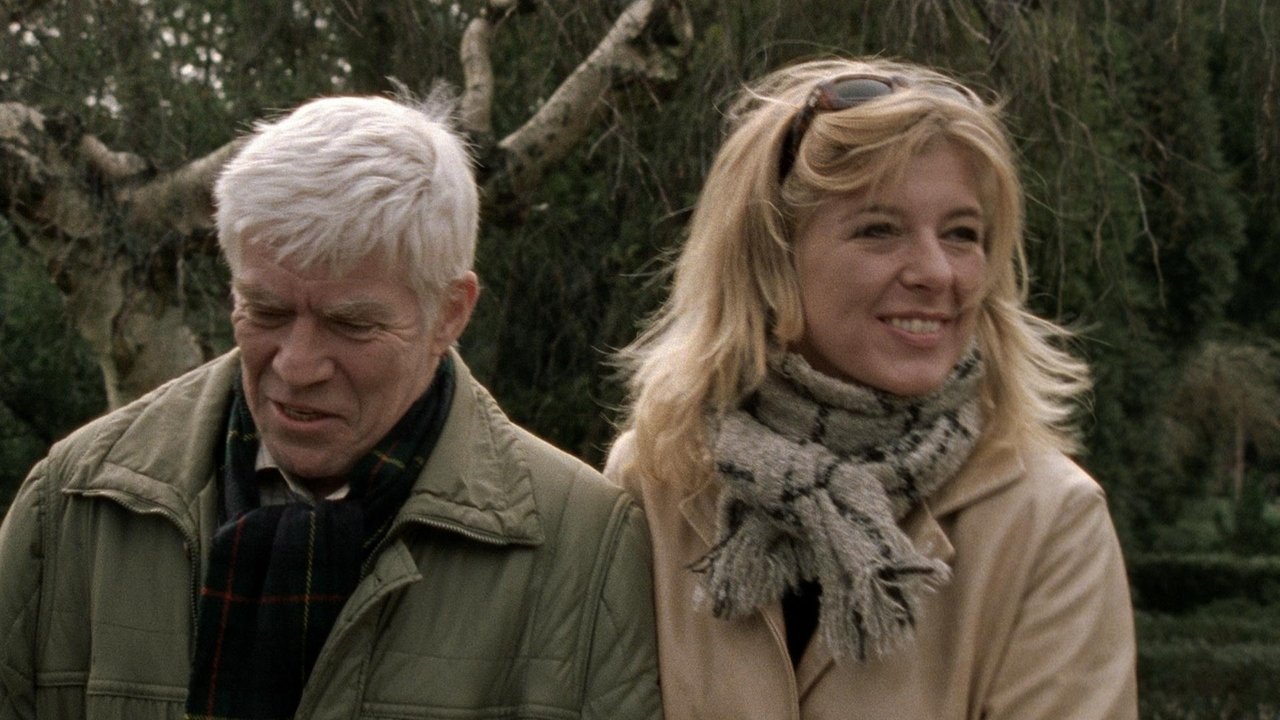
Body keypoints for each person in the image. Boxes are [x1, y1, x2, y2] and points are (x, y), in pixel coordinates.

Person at [0, 95, 661, 720]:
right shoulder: (74, 507)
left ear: (449, 314)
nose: (297, 366)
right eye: (266, 311)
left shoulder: (586, 552)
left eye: (351, 324)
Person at [605, 57, 1137, 719]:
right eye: (879, 231)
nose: (936, 272)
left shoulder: (1049, 521)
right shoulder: (658, 478)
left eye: (962, 235)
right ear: (771, 257)